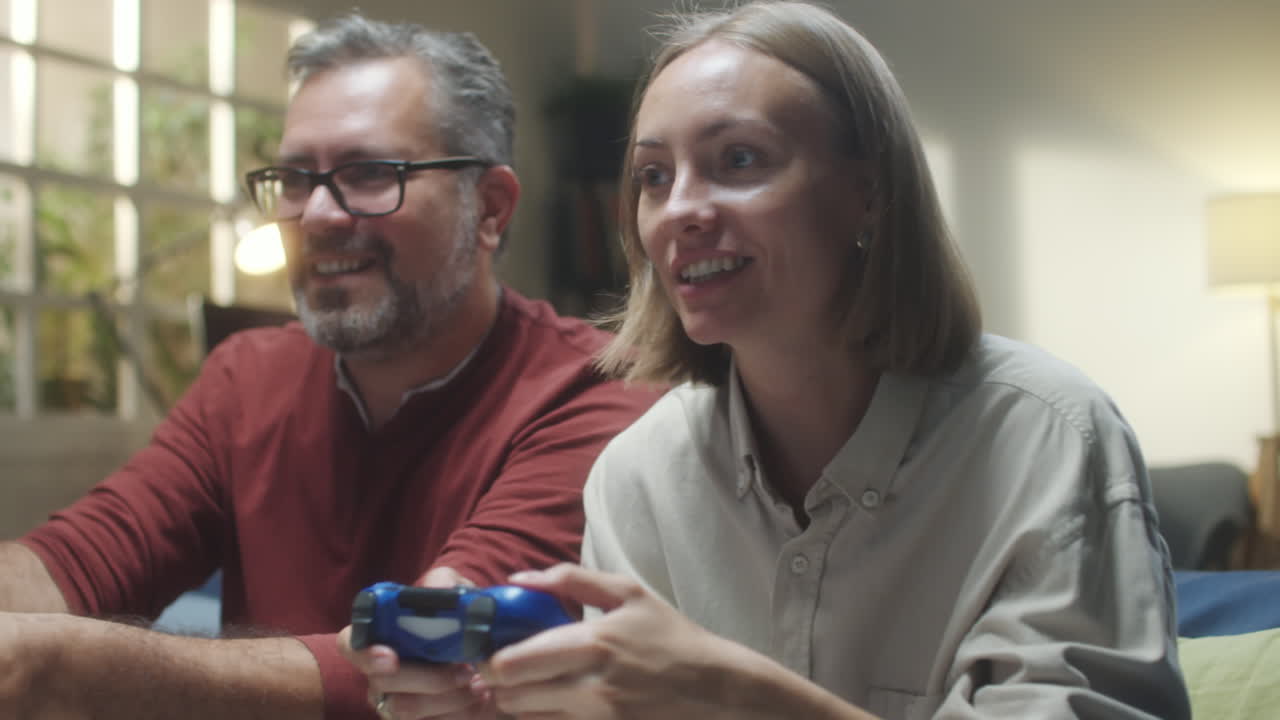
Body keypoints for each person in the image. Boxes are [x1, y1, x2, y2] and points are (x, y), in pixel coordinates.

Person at [344, 2, 1191, 718]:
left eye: (738, 161)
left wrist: (734, 690)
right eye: (652, 175)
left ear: (872, 189)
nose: (680, 211)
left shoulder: (1050, 437)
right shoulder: (637, 477)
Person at [0, 13, 655, 720]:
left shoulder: (594, 392)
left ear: (490, 208)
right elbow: (79, 558)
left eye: (371, 173)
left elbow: (428, 667)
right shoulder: (245, 378)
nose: (315, 215)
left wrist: (55, 665)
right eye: (293, 178)